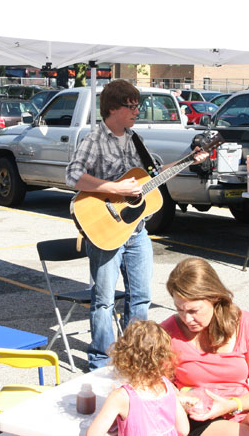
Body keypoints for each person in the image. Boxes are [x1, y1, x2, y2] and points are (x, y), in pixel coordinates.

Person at [65, 80, 207, 370]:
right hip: (105, 229)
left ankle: (133, 358)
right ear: (113, 108)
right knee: (104, 300)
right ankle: (101, 361)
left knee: (141, 298)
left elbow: (152, 177)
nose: (137, 111)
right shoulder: (94, 140)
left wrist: (190, 161)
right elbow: (72, 176)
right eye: (131, 106)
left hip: (137, 231)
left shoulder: (135, 139)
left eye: (137, 105)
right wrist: (113, 189)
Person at [161, 258, 249, 436]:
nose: (186, 319)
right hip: (200, 415)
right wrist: (183, 399)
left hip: (239, 407)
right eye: (179, 309)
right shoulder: (168, 331)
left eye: (193, 311)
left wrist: (231, 404)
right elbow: (159, 384)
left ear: (214, 298)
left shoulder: (247, 324)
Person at [86, 320, 190, 436]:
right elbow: (183, 430)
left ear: (124, 356)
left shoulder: (121, 396)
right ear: (164, 356)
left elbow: (93, 434)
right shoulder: (167, 386)